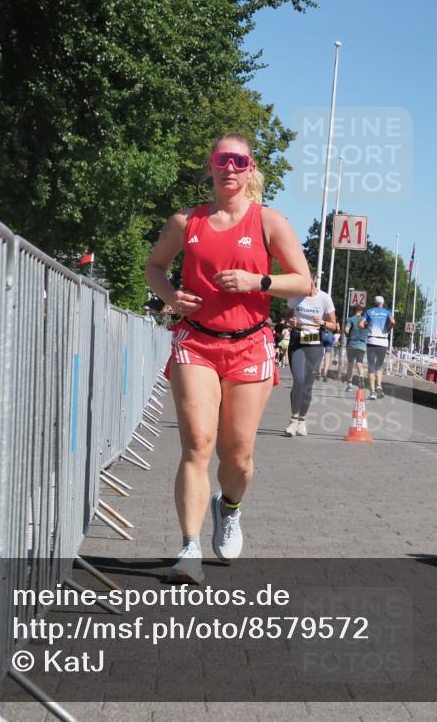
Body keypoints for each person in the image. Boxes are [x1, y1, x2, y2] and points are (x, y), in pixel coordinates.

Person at [144, 133, 311, 584]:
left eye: (239, 160)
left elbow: (303, 282)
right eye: (223, 160)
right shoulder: (186, 221)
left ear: (250, 167)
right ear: (211, 166)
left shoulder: (269, 221)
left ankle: (230, 507)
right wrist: (171, 296)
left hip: (250, 345)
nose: (230, 168)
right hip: (195, 342)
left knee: (237, 456)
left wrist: (259, 282)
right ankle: (189, 549)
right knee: (197, 443)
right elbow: (154, 267)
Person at [285, 273, 337, 436]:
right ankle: (293, 420)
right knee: (298, 381)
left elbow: (334, 326)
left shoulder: (324, 298)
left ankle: (302, 420)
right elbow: (287, 316)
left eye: (308, 281)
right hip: (297, 339)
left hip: (314, 340)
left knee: (307, 384)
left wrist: (322, 323)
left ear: (314, 280)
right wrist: (290, 321)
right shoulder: (295, 297)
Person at [360, 295, 394, 399]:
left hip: (371, 341)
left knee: (371, 366)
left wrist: (367, 326)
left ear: (374, 303)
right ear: (382, 303)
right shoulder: (387, 312)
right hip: (382, 342)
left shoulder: (369, 311)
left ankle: (372, 392)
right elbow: (392, 321)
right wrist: (389, 328)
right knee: (379, 366)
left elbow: (361, 324)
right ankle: (379, 387)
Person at [343, 305, 368, 390]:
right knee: (359, 363)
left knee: (350, 364)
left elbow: (346, 330)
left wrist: (347, 334)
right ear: (361, 311)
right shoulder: (365, 320)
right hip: (361, 345)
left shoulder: (350, 319)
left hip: (351, 344)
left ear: (354, 311)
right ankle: (361, 375)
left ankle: (349, 384)